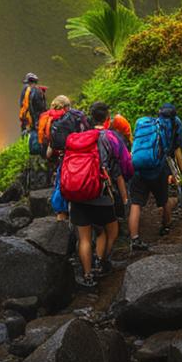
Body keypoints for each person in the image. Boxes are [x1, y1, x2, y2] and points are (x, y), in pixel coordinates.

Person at [62, 103, 129, 289]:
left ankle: (87, 275)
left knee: (84, 238)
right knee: (108, 231)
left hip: (76, 194)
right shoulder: (109, 137)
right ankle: (101, 263)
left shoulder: (78, 138)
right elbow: (118, 168)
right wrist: (123, 196)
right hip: (100, 194)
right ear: (107, 119)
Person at [128, 102, 182, 251]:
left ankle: (134, 239)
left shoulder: (147, 124)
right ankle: (166, 226)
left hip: (138, 169)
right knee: (164, 200)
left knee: (136, 204)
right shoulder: (174, 125)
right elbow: (177, 151)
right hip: (158, 169)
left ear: (159, 113)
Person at [40, 95, 85, 221]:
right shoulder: (74, 117)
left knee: (61, 183)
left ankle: (61, 216)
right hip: (77, 154)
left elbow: (49, 145)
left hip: (60, 155)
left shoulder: (50, 119)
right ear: (67, 106)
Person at [19, 72, 48, 155]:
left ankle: (31, 151)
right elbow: (40, 108)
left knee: (29, 135)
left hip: (28, 119)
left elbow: (24, 106)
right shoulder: (37, 92)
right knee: (36, 135)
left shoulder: (27, 92)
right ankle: (38, 152)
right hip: (35, 120)